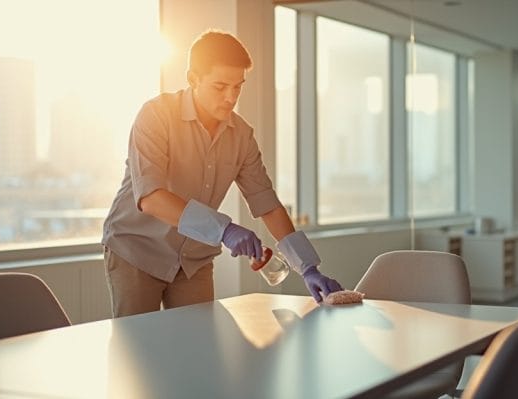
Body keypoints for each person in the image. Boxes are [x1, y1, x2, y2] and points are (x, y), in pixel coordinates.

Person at [101, 29, 343, 317]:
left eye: (237, 87)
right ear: (193, 79)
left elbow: (266, 202)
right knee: (139, 355)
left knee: (200, 350)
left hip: (193, 260)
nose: (231, 97)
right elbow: (152, 198)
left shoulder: (241, 135)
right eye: (220, 86)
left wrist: (308, 268)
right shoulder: (156, 115)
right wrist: (225, 229)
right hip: (138, 252)